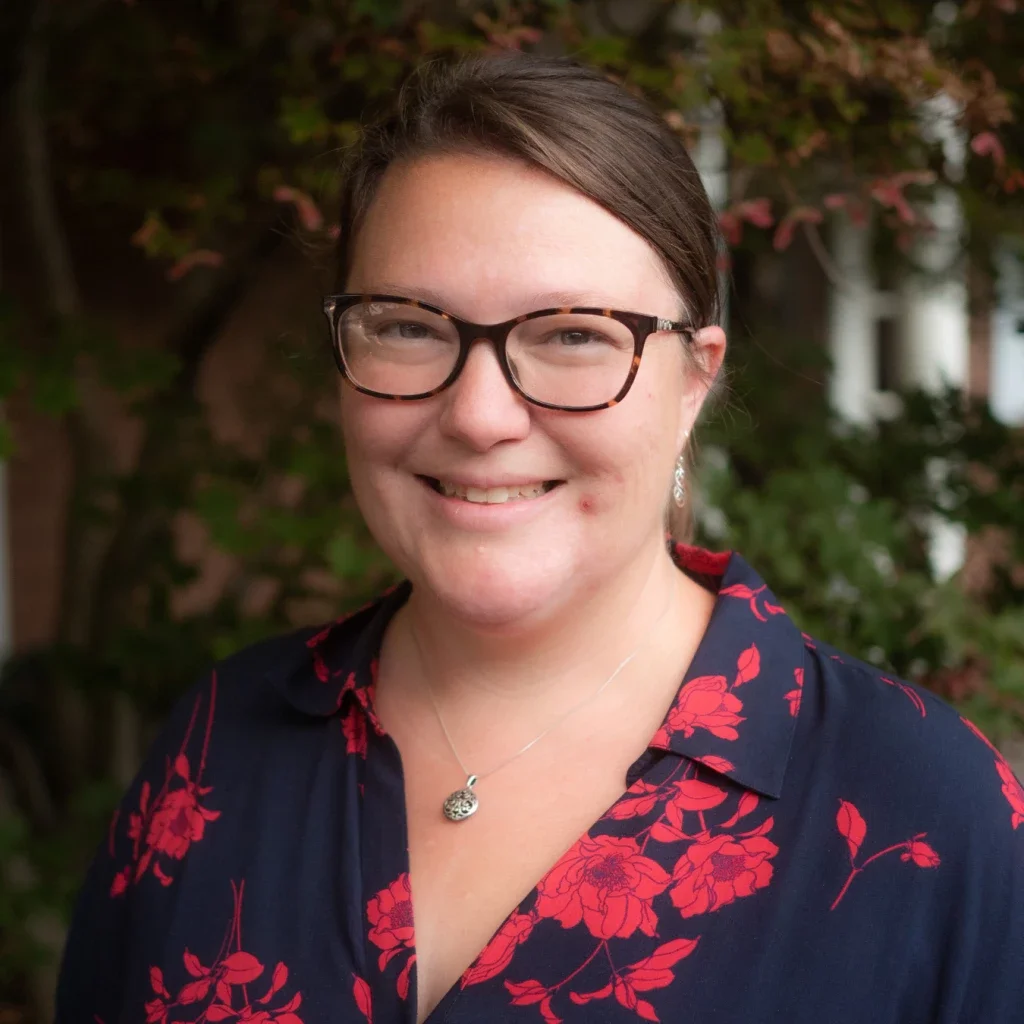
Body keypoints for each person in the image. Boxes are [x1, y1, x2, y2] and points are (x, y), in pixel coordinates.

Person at [55, 51, 1024, 1024]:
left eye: (572, 335)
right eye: (407, 327)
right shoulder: (218, 746)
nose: (479, 416)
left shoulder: (922, 812)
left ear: (694, 381)